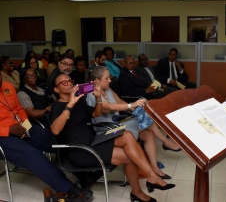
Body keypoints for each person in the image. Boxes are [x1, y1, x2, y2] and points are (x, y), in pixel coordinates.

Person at [50, 73, 175, 202]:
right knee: (129, 156)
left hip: (94, 141)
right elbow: (55, 130)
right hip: (81, 151)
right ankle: (141, 188)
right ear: (56, 89)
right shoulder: (57, 106)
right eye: (64, 82)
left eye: (70, 80)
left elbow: (96, 113)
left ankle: (150, 176)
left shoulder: (79, 101)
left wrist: (98, 97)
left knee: (127, 135)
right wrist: (69, 105)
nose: (70, 83)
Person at [0, 72, 92, 201]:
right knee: (31, 154)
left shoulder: (7, 86)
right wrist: (8, 129)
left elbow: (19, 108)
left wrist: (23, 123)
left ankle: (83, 174)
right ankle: (69, 190)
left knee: (54, 138)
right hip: (3, 136)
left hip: (21, 127)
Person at [87, 66, 180, 161]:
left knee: (148, 132)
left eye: (109, 77)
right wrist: (131, 105)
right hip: (107, 130)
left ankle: (154, 167)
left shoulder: (108, 89)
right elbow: (108, 107)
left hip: (117, 124)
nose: (110, 80)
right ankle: (166, 142)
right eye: (106, 78)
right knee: (147, 120)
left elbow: (119, 101)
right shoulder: (92, 94)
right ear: (96, 81)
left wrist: (135, 109)